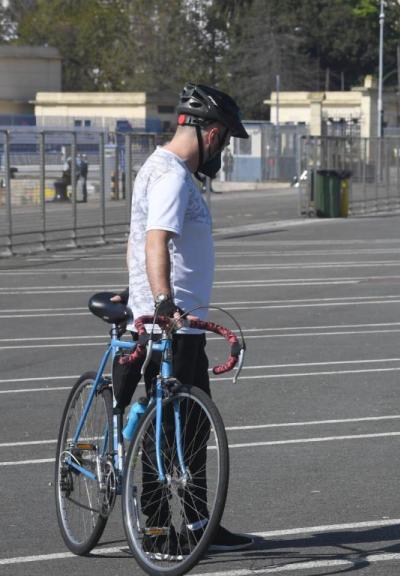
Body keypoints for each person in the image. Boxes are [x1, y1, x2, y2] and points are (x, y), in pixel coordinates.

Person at [113, 83, 254, 554]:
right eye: (226, 139)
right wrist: (161, 300)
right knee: (165, 428)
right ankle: (157, 530)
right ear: (211, 133)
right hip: (171, 323)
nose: (223, 149)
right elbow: (155, 240)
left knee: (190, 427)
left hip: (180, 323)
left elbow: (137, 239)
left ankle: (197, 525)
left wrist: (139, 290)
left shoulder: (161, 168)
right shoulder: (172, 176)